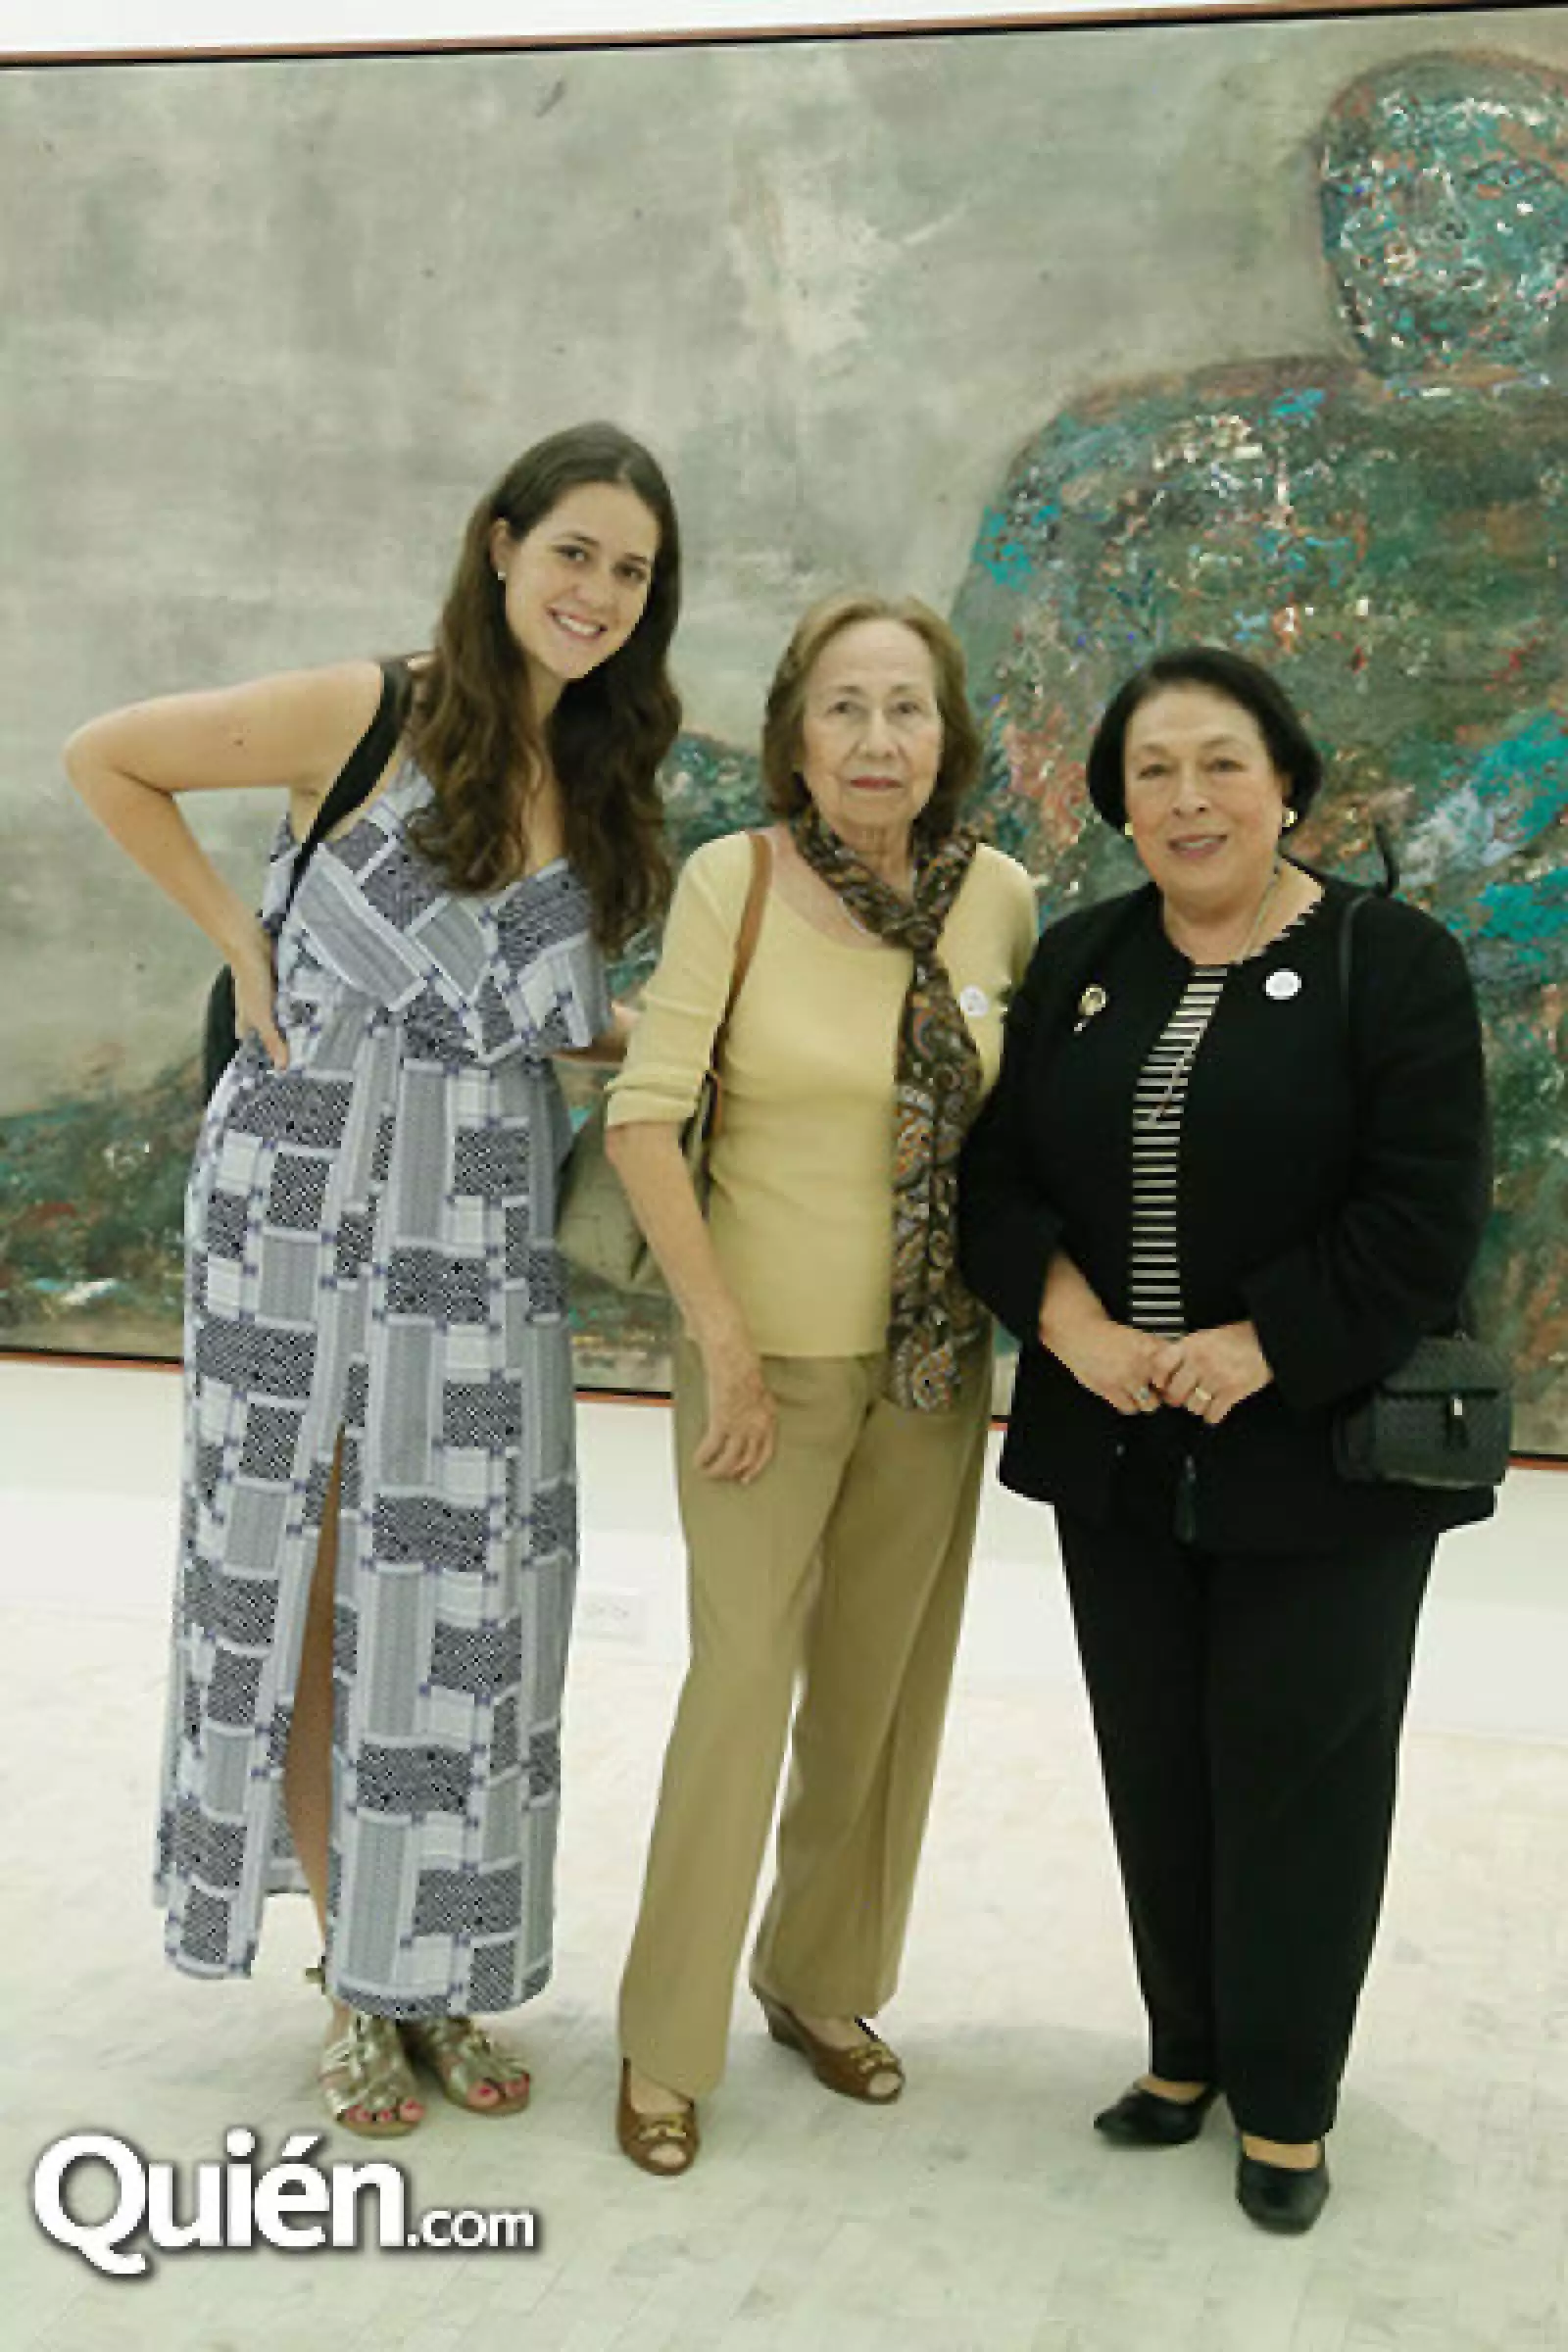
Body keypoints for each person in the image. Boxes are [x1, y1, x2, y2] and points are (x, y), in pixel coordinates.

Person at [64, 421, 682, 2136]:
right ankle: (355, 1979)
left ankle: (434, 1964)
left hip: (479, 1220)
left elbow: (557, 1023)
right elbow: (106, 756)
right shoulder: (371, 709)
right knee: (331, 1577)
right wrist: (238, 936)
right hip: (306, 1190)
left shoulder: (613, 768)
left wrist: (712, 1038)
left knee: (467, 1604)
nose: (597, 594)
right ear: (500, 546)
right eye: (574, 552)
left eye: (630, 571)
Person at [958, 645, 1495, 2233]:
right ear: (1117, 803)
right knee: (1159, 1762)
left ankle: (1287, 2099)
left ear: (1287, 783)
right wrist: (1078, 1333)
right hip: (1117, 1446)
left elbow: (1424, 1213)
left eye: (1221, 764)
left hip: (1320, 1454)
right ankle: (1183, 2052)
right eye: (1152, 773)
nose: (1188, 800)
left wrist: (1261, 1345)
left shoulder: (1388, 961)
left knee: (1300, 1775)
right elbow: (996, 1182)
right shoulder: (1084, 959)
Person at [602, 591, 1037, 2175]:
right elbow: (647, 1118)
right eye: (845, 707)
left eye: (906, 708)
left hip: (930, 1367)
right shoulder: (740, 878)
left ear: (947, 734)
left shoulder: (1000, 901)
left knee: (879, 1696)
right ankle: (665, 2037)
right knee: (738, 1689)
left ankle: (822, 1980)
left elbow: (1026, 1143)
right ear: (796, 732)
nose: (877, 739)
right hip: (759, 1363)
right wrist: (718, 1342)